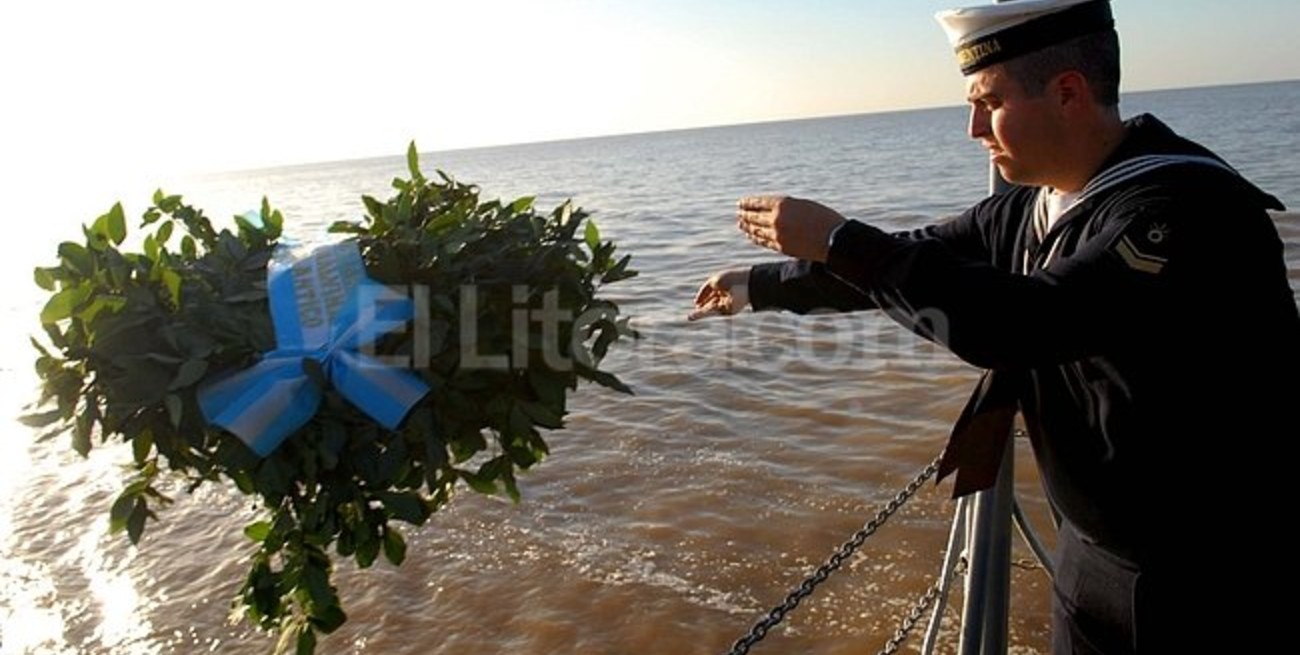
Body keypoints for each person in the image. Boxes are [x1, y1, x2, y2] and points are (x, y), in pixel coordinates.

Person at [689, 0, 1300, 652]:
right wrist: (757, 286)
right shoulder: (1032, 207)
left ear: (1067, 92)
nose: (973, 128)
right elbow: (909, 261)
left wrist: (839, 237)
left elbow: (1023, 321)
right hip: (1089, 561)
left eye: (987, 101)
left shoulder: (1184, 213)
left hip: (1215, 582)